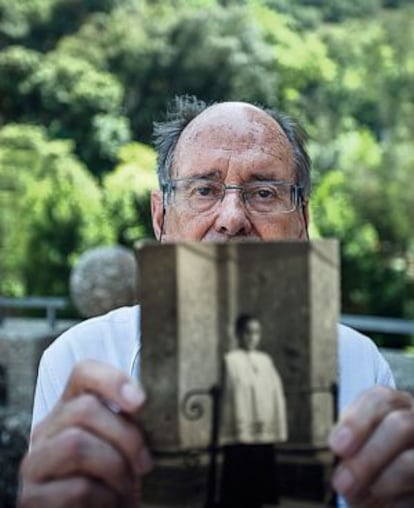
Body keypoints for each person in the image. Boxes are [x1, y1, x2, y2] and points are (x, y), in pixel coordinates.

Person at [18, 96, 414, 508]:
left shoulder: (360, 364)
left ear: (301, 222)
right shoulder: (77, 358)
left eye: (263, 192)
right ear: (161, 217)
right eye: (203, 189)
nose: (230, 217)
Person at [219, 313, 287, 508]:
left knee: (261, 466)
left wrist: (268, 418)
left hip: (263, 421)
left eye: (256, 332)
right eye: (247, 332)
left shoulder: (265, 360)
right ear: (239, 334)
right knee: (240, 468)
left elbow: (274, 391)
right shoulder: (231, 360)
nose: (252, 337)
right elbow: (232, 394)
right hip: (241, 424)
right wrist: (243, 422)